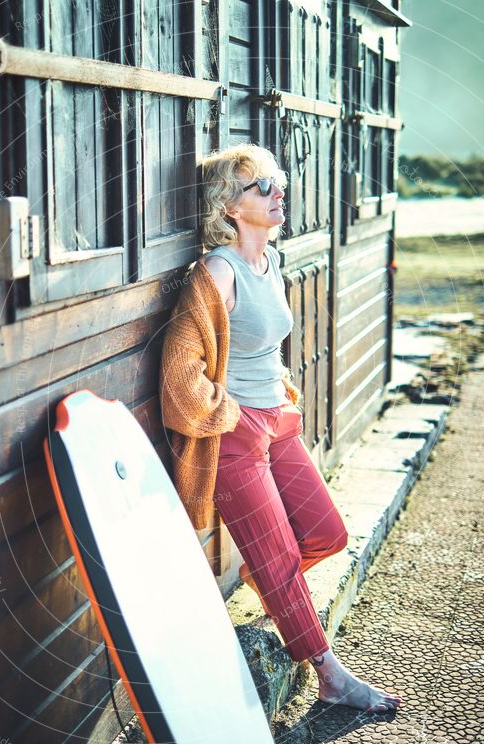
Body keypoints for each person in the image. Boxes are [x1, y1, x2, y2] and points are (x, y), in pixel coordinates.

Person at [159, 143, 403, 713]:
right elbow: (178, 376)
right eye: (261, 187)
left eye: (279, 182)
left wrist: (280, 399)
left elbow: (264, 348)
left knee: (327, 535)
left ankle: (268, 576)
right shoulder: (216, 274)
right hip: (238, 435)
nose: (278, 193)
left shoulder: (271, 263)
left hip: (279, 424)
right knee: (282, 561)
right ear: (228, 207)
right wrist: (230, 415)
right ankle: (331, 675)